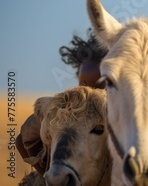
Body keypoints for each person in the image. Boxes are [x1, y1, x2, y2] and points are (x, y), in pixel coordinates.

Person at [15, 28, 107, 175]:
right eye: (85, 88)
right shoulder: (68, 114)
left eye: (102, 88)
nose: (92, 97)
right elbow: (22, 141)